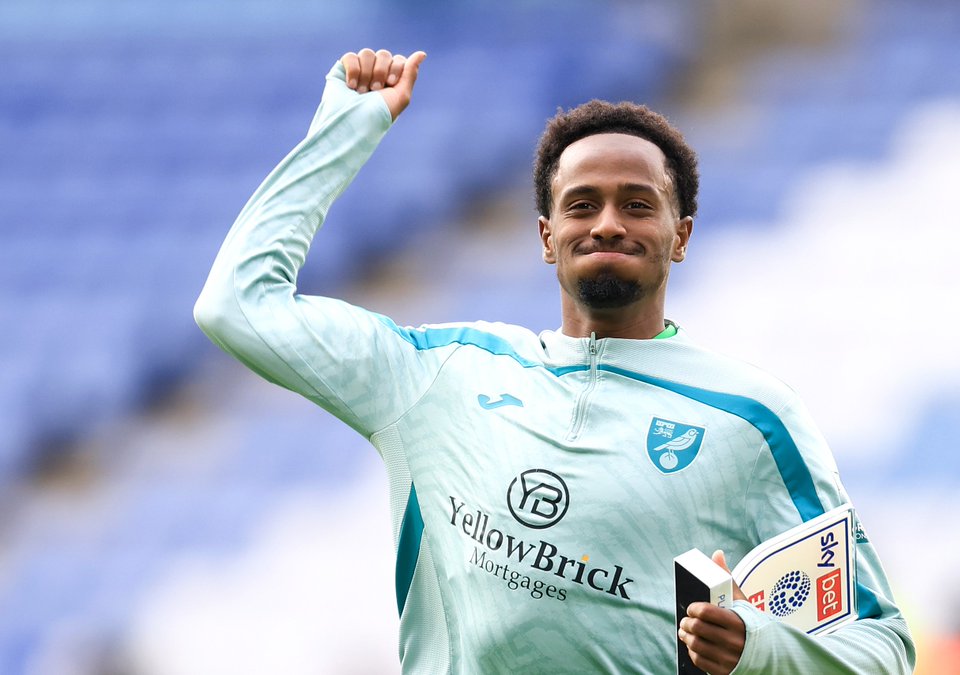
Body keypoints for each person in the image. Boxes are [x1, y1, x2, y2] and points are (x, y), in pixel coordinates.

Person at [194, 47, 916, 674]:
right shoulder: (437, 373)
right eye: (582, 204)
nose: (607, 222)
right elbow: (237, 304)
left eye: (637, 204)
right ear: (546, 235)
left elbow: (882, 646)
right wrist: (343, 135)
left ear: (680, 233)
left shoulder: (751, 418)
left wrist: (757, 645)